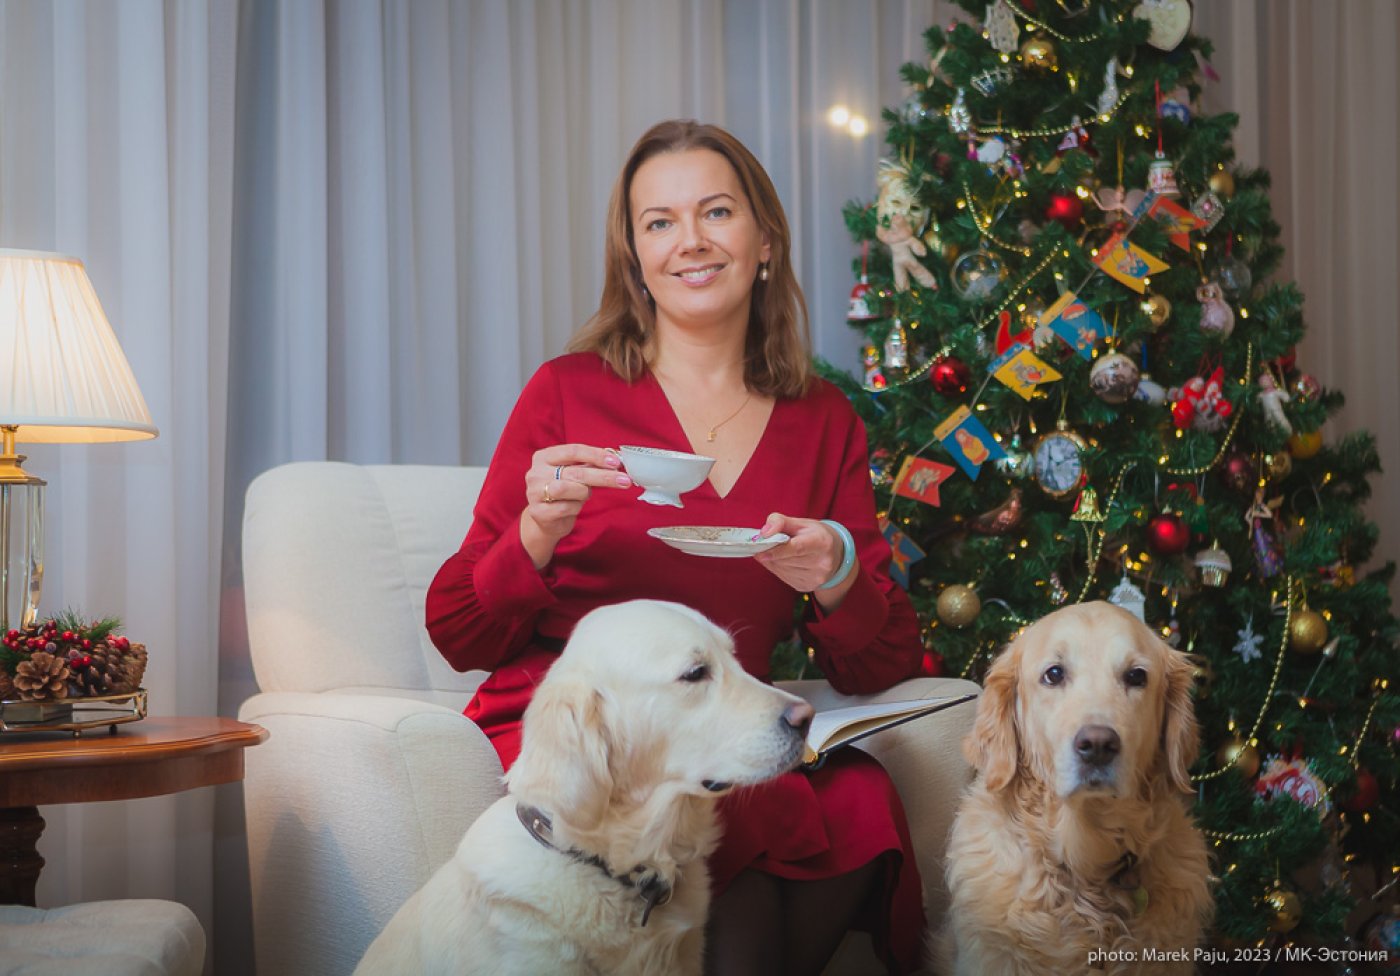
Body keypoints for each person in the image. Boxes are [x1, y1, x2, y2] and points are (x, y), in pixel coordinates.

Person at [426, 119, 927, 975]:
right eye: (659, 221)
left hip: (728, 722)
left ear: (764, 239)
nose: (689, 242)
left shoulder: (824, 420)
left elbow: (881, 663)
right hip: (600, 730)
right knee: (728, 853)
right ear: (634, 253)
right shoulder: (566, 393)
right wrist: (535, 534)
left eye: (716, 213)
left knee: (860, 801)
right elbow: (461, 633)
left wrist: (836, 575)